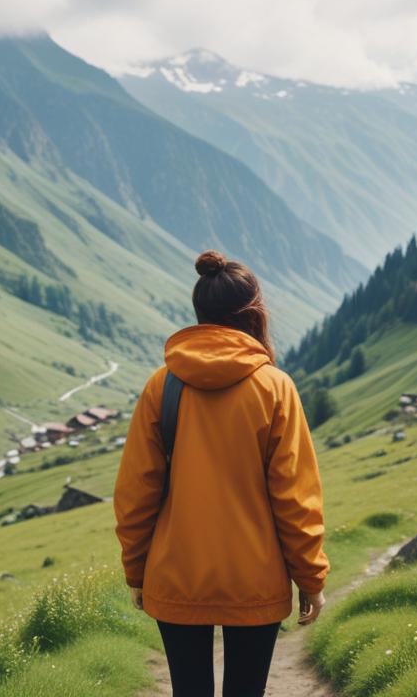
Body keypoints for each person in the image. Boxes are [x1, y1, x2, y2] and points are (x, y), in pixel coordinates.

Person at [114, 250, 329, 697]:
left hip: (176, 575)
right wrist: (310, 579)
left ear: (200, 313)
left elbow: (137, 492)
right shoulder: (275, 387)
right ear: (254, 314)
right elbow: (295, 498)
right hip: (256, 579)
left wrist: (137, 572)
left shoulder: (162, 385)